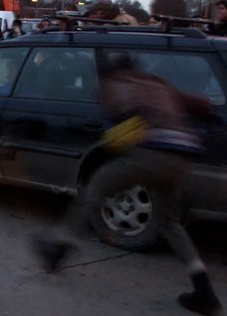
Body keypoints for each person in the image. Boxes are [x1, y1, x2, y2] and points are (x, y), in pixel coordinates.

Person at [33, 53, 224, 316]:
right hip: (183, 156)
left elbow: (118, 112)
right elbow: (202, 104)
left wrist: (106, 96)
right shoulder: (158, 83)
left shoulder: (119, 83)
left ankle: (57, 247)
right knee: (169, 223)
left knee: (96, 187)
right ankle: (204, 292)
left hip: (152, 153)